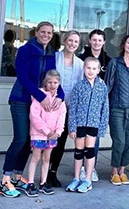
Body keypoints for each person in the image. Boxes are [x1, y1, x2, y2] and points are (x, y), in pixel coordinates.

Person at [0, 21, 64, 198]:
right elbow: (23, 77)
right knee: (20, 139)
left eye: (50, 33)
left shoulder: (51, 53)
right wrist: (42, 97)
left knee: (29, 141)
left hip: (39, 102)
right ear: (36, 33)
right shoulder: (25, 50)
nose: (46, 35)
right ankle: (5, 180)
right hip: (22, 99)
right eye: (43, 32)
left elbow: (53, 78)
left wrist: (60, 96)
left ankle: (18, 176)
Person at [105, 33, 129, 186]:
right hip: (117, 107)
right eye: (128, 43)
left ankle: (122, 171)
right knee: (119, 140)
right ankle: (114, 171)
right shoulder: (115, 63)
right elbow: (108, 85)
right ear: (123, 45)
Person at [66, 57, 109, 193]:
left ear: (98, 70)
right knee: (79, 152)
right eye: (88, 68)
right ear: (84, 69)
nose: (90, 71)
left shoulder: (102, 87)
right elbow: (72, 108)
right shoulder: (79, 86)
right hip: (79, 123)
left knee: (90, 151)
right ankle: (76, 178)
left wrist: (102, 127)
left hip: (94, 123)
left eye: (94, 68)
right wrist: (72, 127)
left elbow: (105, 108)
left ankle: (88, 179)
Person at [48, 30, 84, 188]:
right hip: (51, 106)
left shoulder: (81, 64)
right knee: (48, 140)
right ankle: (43, 172)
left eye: (76, 42)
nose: (73, 44)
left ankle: (52, 172)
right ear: (64, 40)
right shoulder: (55, 58)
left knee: (60, 142)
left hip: (69, 108)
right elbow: (47, 80)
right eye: (70, 40)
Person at [77, 29, 112, 181]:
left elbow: (109, 83)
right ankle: (79, 169)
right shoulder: (81, 59)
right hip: (82, 105)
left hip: (97, 106)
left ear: (104, 42)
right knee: (80, 139)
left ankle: (91, 168)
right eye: (94, 40)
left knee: (94, 139)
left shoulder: (109, 61)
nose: (97, 43)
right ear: (89, 41)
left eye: (100, 40)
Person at [26, 70, 67, 197]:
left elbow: (62, 116)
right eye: (49, 82)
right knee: (36, 157)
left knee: (47, 158)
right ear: (45, 82)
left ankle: (43, 182)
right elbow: (34, 116)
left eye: (55, 82)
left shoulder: (60, 100)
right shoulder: (40, 97)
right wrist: (46, 131)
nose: (52, 85)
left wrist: (59, 131)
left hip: (53, 135)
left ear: (59, 83)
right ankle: (30, 183)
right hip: (39, 134)